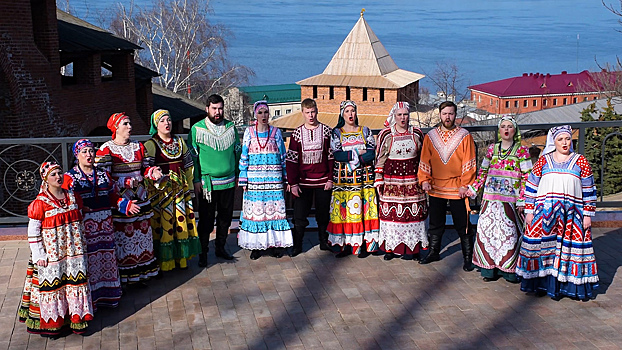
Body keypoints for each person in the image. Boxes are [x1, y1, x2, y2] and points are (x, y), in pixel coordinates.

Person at [516, 125, 599, 300]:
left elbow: (589, 189)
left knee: (568, 250)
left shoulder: (580, 161)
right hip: (544, 216)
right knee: (543, 249)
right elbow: (531, 186)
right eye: (560, 139)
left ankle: (568, 288)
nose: (564, 143)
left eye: (567, 139)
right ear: (553, 141)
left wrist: (587, 214)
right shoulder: (544, 161)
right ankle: (542, 285)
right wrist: (529, 211)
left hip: (572, 217)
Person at [19, 162, 93, 337]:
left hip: (74, 253)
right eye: (53, 175)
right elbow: (33, 230)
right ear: (45, 178)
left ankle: (77, 320)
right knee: (54, 286)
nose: (58, 177)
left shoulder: (73, 197)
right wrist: (39, 254)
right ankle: (55, 325)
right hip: (53, 254)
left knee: (74, 283)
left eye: (60, 173)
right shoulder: (40, 203)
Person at [63, 139, 137, 310]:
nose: (89, 155)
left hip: (105, 226)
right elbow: (67, 202)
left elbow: (112, 196)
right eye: (84, 152)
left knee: (106, 259)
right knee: (89, 262)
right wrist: (80, 208)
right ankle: (91, 301)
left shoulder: (103, 174)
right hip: (85, 229)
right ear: (77, 155)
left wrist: (126, 205)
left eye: (91, 151)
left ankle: (109, 296)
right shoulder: (70, 178)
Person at [95, 112, 163, 284]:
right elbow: (102, 177)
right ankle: (126, 277)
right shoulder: (107, 149)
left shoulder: (139, 147)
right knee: (124, 238)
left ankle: (142, 274)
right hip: (122, 202)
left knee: (142, 236)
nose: (130, 127)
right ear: (116, 127)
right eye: (125, 124)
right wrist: (123, 181)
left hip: (141, 199)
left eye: (130, 123)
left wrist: (153, 173)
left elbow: (145, 169)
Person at [465, 116, 532, 282]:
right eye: (503, 127)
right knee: (489, 233)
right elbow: (483, 172)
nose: (506, 130)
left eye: (510, 126)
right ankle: (489, 270)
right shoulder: (492, 149)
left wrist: (523, 200)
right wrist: (473, 189)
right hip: (491, 199)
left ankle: (509, 271)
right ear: (499, 130)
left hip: (510, 201)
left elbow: (527, 176)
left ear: (515, 130)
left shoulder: (521, 151)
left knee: (509, 235)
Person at [418, 101, 477, 271]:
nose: (448, 117)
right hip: (436, 187)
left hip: (457, 187)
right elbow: (425, 159)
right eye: (445, 114)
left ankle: (468, 257)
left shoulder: (464, 136)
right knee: (436, 222)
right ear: (440, 115)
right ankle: (434, 251)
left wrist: (465, 184)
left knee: (462, 222)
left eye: (451, 113)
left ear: (455, 115)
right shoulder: (431, 136)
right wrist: (425, 180)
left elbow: (469, 161)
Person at [144, 109, 201, 271]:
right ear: (156, 124)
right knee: (165, 224)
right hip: (162, 193)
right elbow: (146, 170)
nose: (167, 123)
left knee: (180, 222)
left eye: (168, 120)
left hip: (180, 191)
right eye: (162, 121)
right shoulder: (151, 144)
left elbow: (188, 165)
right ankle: (164, 262)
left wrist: (189, 186)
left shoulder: (179, 142)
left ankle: (180, 259)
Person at [189, 94, 241, 266]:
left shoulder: (231, 127)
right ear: (207, 109)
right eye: (214, 108)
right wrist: (196, 179)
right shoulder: (197, 129)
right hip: (207, 184)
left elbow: (237, 152)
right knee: (206, 219)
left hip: (228, 181)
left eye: (220, 108)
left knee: (225, 217)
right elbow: (193, 158)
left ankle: (221, 247)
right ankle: (203, 252)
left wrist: (238, 174)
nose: (218, 112)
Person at [238, 101, 293, 259]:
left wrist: (286, 178)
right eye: (260, 112)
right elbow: (244, 156)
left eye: (266, 112)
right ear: (255, 114)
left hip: (274, 180)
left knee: (273, 213)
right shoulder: (249, 132)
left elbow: (283, 156)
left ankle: (275, 244)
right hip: (254, 181)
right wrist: (243, 179)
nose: (263, 115)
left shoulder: (276, 132)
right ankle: (257, 246)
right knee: (257, 213)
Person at [374, 102, 428, 261]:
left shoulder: (416, 133)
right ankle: (390, 248)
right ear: (394, 116)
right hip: (392, 182)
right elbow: (380, 158)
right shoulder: (386, 134)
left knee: (414, 213)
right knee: (392, 214)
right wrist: (379, 179)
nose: (403, 118)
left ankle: (415, 248)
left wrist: (424, 177)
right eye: (399, 115)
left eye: (405, 114)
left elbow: (423, 157)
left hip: (412, 180)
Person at [327, 100, 380, 258]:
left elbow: (371, 153)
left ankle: (363, 244)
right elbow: (337, 154)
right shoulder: (337, 133)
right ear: (342, 114)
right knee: (346, 211)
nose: (351, 114)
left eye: (353, 111)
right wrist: (359, 152)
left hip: (364, 180)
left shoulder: (365, 131)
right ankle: (345, 245)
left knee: (363, 210)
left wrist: (353, 155)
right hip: (344, 181)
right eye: (347, 111)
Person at [286, 98, 334, 257]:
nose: (311, 115)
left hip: (322, 181)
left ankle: (324, 242)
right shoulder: (297, 134)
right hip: (302, 182)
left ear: (317, 111)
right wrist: (293, 183)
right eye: (307, 112)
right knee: (299, 215)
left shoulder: (326, 131)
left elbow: (330, 156)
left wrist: (330, 178)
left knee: (323, 214)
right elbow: (292, 160)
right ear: (303, 113)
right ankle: (297, 245)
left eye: (313, 111)